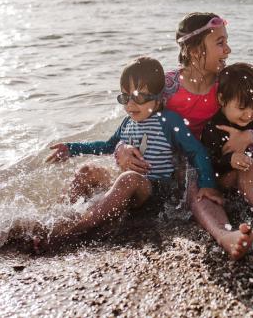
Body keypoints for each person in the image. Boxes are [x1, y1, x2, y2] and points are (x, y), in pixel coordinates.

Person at [23, 57, 222, 250]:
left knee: (128, 179)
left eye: (138, 97)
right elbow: (107, 146)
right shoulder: (127, 123)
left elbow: (196, 150)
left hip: (155, 190)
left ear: (159, 97)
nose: (130, 105)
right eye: (125, 97)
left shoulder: (168, 121)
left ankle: (73, 230)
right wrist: (72, 148)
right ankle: (55, 218)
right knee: (87, 170)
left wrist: (208, 184)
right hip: (130, 183)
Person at [113, 13, 253, 259]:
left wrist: (251, 136)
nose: (228, 49)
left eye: (226, 42)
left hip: (217, 159)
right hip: (176, 166)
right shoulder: (168, 86)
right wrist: (122, 149)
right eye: (220, 43)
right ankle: (226, 235)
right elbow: (134, 122)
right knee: (194, 184)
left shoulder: (226, 84)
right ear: (193, 50)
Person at [201, 63, 253, 218]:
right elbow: (209, 161)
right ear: (221, 99)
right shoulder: (214, 127)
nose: (248, 115)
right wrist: (229, 159)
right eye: (241, 108)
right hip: (228, 180)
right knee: (248, 164)